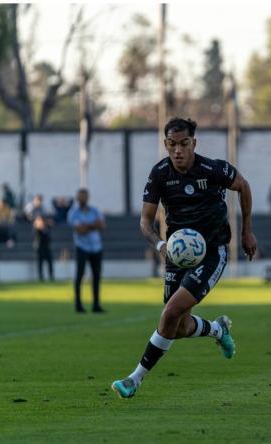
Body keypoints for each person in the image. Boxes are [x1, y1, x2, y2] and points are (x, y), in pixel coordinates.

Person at [110, 117, 258, 399]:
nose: (178, 150)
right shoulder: (160, 174)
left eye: (184, 144)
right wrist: (160, 244)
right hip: (177, 255)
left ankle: (134, 379)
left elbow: (243, 186)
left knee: (169, 313)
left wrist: (246, 231)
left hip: (212, 251)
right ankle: (217, 329)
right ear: (166, 144)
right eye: (172, 144)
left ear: (194, 143)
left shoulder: (212, 169)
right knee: (176, 326)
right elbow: (145, 221)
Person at [67, 188, 106, 313]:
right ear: (78, 198)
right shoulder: (73, 212)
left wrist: (86, 226)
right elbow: (80, 230)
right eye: (81, 196)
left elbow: (102, 226)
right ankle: (78, 304)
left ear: (88, 197)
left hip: (96, 247)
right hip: (82, 247)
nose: (83, 198)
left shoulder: (95, 210)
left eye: (84, 196)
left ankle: (96, 304)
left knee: (96, 276)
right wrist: (93, 225)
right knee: (79, 276)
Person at [33, 215, 54, 281]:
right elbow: (37, 228)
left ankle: (51, 276)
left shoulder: (46, 228)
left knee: (50, 262)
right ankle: (41, 277)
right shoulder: (37, 228)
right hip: (40, 248)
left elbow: (51, 224)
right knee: (40, 263)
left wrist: (46, 223)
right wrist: (39, 223)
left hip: (47, 247)